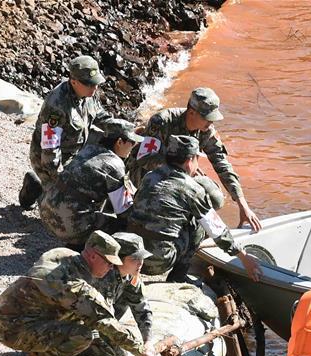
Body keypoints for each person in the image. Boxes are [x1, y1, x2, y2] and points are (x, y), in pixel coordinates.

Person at [0, 231, 170, 356]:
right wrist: (140, 351)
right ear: (92, 256)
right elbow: (104, 320)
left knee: (83, 321)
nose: (110, 268)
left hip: (20, 316)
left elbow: (135, 307)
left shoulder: (66, 256)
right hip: (13, 328)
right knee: (83, 336)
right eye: (108, 262)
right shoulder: (74, 285)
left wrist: (145, 342)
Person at [127, 135, 263, 283]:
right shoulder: (191, 188)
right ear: (189, 161)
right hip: (157, 262)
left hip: (132, 254)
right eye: (197, 160)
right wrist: (243, 256)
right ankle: (178, 277)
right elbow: (216, 229)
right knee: (198, 223)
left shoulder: (150, 176)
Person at [126, 87, 262, 232]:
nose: (211, 122)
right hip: (145, 174)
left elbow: (222, 165)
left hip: (180, 173)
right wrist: (181, 170)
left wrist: (243, 205)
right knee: (178, 192)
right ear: (192, 112)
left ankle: (188, 223)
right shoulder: (162, 121)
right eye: (208, 118)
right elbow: (144, 159)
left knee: (214, 197)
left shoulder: (206, 131)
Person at [24, 55, 115, 209]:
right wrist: (61, 179)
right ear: (74, 82)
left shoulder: (89, 93)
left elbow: (100, 116)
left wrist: (123, 128)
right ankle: (35, 187)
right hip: (48, 160)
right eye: (90, 85)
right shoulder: (56, 106)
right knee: (66, 204)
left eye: (96, 84)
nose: (95, 88)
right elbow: (50, 149)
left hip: (74, 152)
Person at [38, 119, 143, 247]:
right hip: (66, 226)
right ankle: (79, 247)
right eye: (132, 143)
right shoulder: (115, 165)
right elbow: (124, 210)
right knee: (121, 226)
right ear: (119, 142)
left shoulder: (88, 149)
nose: (133, 147)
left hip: (46, 213)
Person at [83, 232, 156, 356]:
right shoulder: (102, 277)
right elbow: (101, 320)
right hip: (89, 322)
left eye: (141, 258)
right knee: (113, 355)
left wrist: (148, 340)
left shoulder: (130, 275)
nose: (140, 263)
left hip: (106, 321)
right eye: (134, 259)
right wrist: (124, 355)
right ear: (118, 259)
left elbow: (141, 307)